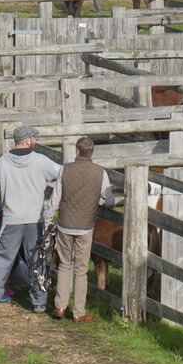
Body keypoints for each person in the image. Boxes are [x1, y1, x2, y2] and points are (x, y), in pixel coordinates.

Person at [0, 125, 62, 314]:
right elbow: (62, 174)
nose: (36, 141)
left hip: (11, 219)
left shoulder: (3, 162)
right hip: (34, 219)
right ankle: (39, 301)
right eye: (34, 138)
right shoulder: (41, 161)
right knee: (37, 258)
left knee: (2, 258)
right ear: (28, 140)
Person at [49, 137, 117, 323]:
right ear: (92, 153)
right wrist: (103, 203)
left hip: (65, 224)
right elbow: (110, 201)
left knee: (64, 265)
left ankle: (60, 306)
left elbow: (55, 199)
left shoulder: (65, 169)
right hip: (86, 227)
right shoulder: (100, 173)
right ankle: (78, 312)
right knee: (81, 269)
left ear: (77, 151)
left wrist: (47, 219)